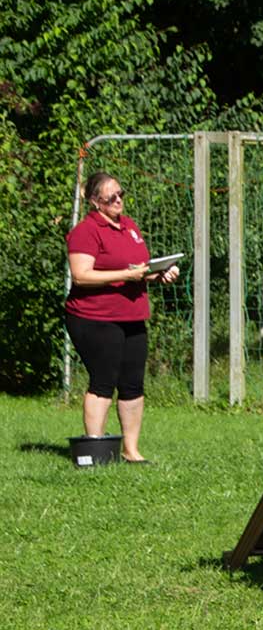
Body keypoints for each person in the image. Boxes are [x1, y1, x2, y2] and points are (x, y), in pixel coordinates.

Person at [64, 171, 180, 463]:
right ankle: (95, 451)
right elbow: (81, 276)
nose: (118, 200)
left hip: (132, 316)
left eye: (121, 194)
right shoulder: (85, 231)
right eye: (111, 197)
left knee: (132, 383)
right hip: (95, 317)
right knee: (103, 380)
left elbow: (138, 269)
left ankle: (131, 450)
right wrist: (127, 275)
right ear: (95, 201)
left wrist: (159, 274)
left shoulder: (129, 226)